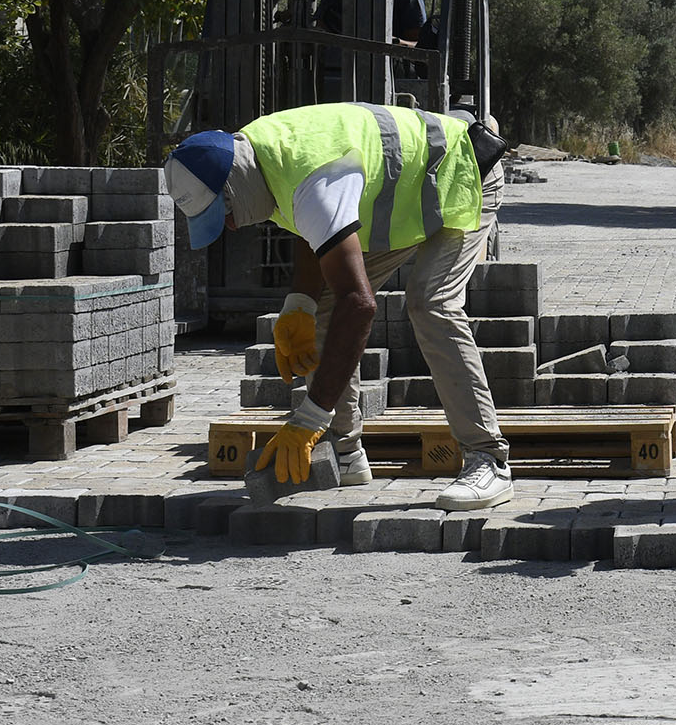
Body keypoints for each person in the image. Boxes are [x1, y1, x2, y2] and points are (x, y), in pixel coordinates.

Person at [165, 101, 512, 511]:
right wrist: (300, 304)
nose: (231, 227)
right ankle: (345, 455)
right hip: (413, 190)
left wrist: (309, 417)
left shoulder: (311, 178)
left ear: (233, 184)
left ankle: (488, 459)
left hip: (462, 172)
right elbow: (308, 226)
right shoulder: (259, 155)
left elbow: (360, 305)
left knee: (429, 303)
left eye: (223, 214)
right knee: (324, 307)